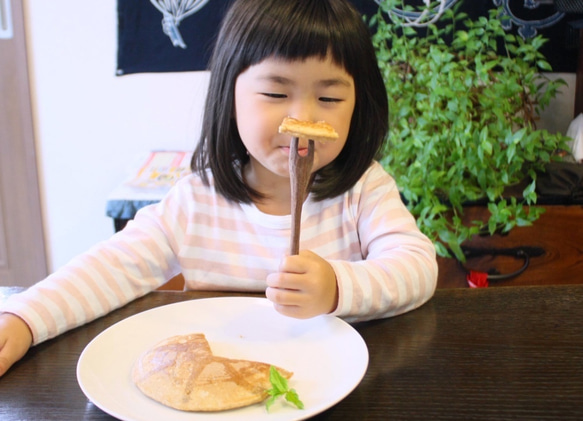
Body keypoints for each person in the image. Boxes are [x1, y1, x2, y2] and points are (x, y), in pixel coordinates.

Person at [0, 0, 438, 378]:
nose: (303, 119)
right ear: (230, 96)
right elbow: (111, 268)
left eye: (328, 99)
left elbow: (417, 268)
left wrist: (338, 288)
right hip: (219, 385)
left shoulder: (364, 189)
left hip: (337, 382)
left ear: (358, 105)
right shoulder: (194, 203)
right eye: (274, 92)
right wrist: (24, 319)